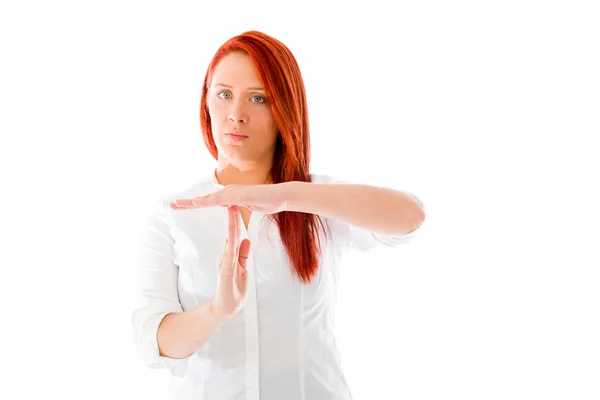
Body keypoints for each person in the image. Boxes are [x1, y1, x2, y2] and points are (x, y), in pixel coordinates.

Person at [131, 30, 426, 400]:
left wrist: (287, 195)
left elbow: (410, 217)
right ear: (206, 101)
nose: (236, 115)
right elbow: (157, 342)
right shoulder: (173, 214)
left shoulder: (317, 201)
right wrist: (218, 309)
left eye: (258, 98)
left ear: (284, 108)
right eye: (224, 95)